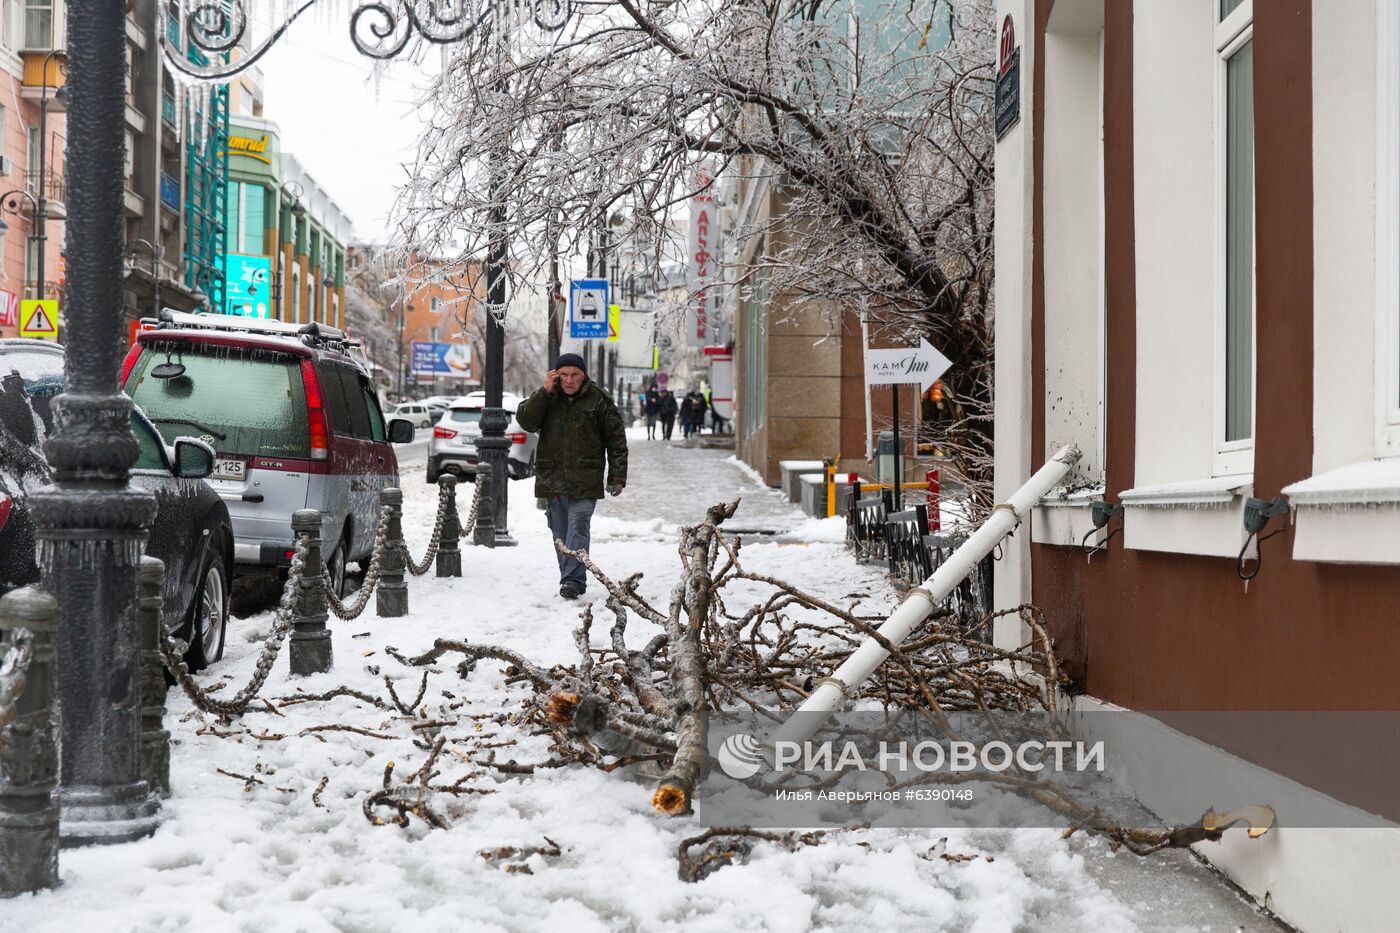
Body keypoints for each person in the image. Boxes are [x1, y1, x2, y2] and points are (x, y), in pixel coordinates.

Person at [515, 353, 629, 599]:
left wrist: (617, 476)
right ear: (555, 376)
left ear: (583, 375)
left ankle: (572, 581)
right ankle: (571, 577)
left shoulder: (599, 400)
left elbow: (616, 441)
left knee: (577, 528)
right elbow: (526, 421)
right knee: (560, 533)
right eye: (563, 375)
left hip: (585, 479)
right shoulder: (548, 397)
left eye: (574, 375)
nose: (569, 380)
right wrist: (543, 392)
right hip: (553, 479)